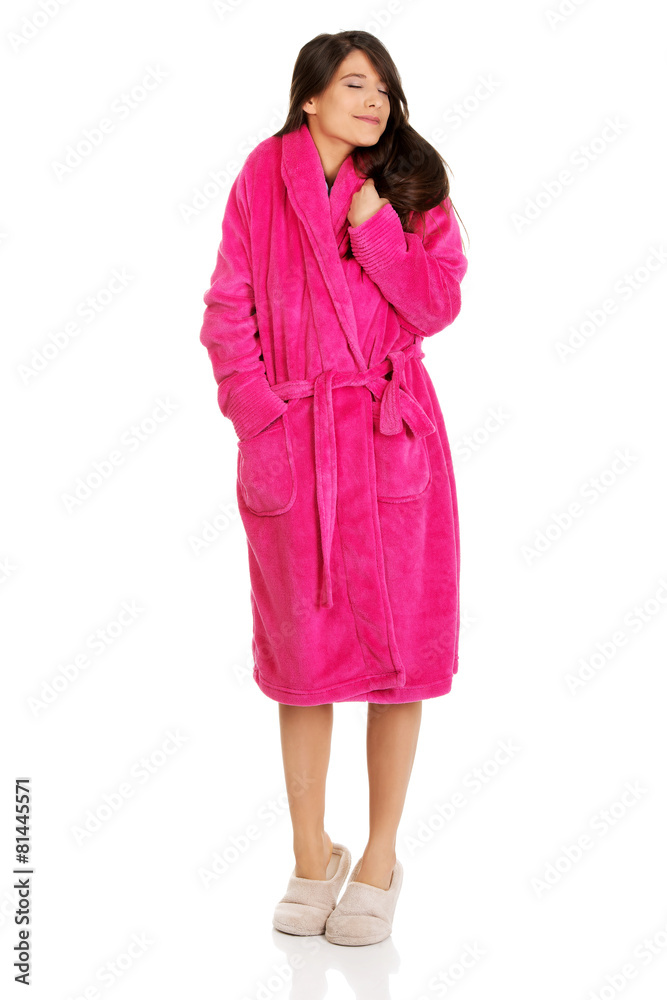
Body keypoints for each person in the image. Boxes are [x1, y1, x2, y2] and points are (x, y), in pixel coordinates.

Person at [199, 29, 469, 946]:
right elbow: (226, 309)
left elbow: (437, 303)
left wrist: (377, 231)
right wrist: (261, 419)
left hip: (392, 443)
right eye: (354, 84)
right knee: (301, 666)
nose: (374, 100)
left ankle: (381, 858)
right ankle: (312, 856)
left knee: (399, 662)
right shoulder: (259, 177)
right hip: (296, 445)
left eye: (383, 87)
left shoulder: (407, 183)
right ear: (308, 95)